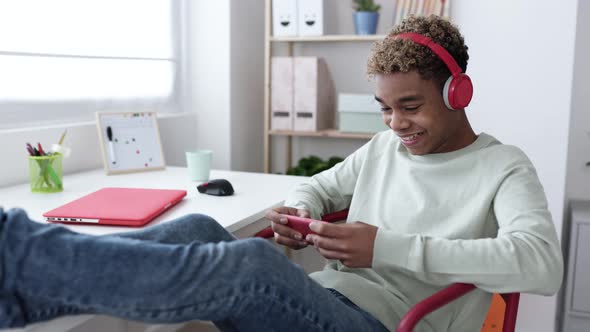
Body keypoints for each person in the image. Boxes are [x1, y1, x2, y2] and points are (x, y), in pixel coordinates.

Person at [0, 15, 562, 332]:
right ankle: (17, 280)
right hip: (327, 299)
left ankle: (16, 257)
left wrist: (387, 247)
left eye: (410, 106)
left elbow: (540, 264)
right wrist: (300, 210)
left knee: (246, 264)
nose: (396, 124)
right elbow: (318, 186)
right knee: (198, 232)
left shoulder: (502, 166)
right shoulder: (383, 148)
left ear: (456, 91)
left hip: (390, 325)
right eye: (385, 108)